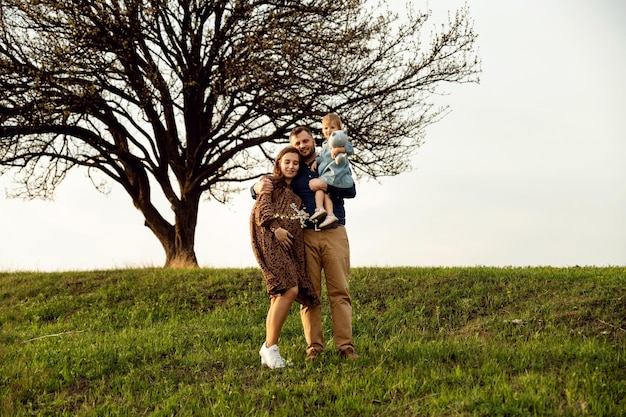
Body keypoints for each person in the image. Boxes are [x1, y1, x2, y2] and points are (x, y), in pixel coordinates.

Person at [252, 125, 359, 361]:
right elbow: (270, 185)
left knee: (340, 292)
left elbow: (351, 190)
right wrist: (255, 187)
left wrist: (325, 185)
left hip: (334, 232)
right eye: (297, 142)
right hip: (306, 236)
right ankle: (314, 348)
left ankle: (346, 347)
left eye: (305, 141)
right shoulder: (294, 168)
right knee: (310, 294)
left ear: (313, 140)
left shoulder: (331, 159)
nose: (302, 145)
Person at [250, 146, 320, 369]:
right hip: (269, 239)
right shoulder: (269, 183)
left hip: (287, 247)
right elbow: (262, 209)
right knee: (290, 289)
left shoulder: (296, 196)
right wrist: (275, 228)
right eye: (287, 162)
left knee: (279, 294)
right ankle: (270, 347)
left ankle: (268, 350)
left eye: (295, 163)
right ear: (279, 163)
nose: (291, 166)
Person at [309, 113, 355, 230]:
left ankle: (319, 208)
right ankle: (329, 214)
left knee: (319, 187)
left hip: (335, 173)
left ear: (339, 129)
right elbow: (322, 156)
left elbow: (350, 149)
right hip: (328, 173)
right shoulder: (325, 145)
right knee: (326, 193)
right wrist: (316, 161)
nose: (329, 130)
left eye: (332, 127)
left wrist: (340, 149)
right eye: (326, 128)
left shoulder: (340, 140)